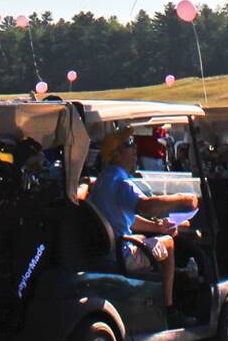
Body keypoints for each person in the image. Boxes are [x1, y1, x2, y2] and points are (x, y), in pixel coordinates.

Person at [83, 128, 201, 313]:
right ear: (116, 154)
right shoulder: (121, 182)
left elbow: (127, 219)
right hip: (122, 255)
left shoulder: (103, 180)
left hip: (109, 249)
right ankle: (168, 308)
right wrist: (182, 199)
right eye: (129, 144)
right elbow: (147, 207)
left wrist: (157, 227)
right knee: (169, 244)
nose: (135, 148)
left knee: (151, 239)